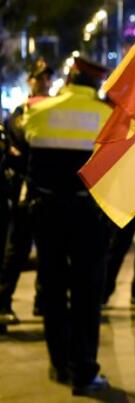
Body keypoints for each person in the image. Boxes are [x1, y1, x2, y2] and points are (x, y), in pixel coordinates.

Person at [17, 57, 113, 394]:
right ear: (96, 83)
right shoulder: (108, 118)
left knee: (53, 287)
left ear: (69, 77)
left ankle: (59, 362)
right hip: (87, 216)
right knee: (87, 294)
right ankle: (84, 370)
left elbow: (24, 145)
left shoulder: (38, 111)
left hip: (47, 213)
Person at [0, 59, 53, 327]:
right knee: (17, 250)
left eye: (47, 78)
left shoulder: (55, 110)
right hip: (25, 188)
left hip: (48, 188)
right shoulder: (20, 112)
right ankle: (3, 303)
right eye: (39, 78)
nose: (44, 82)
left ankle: (42, 303)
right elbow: (21, 143)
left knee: (49, 251)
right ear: (30, 81)